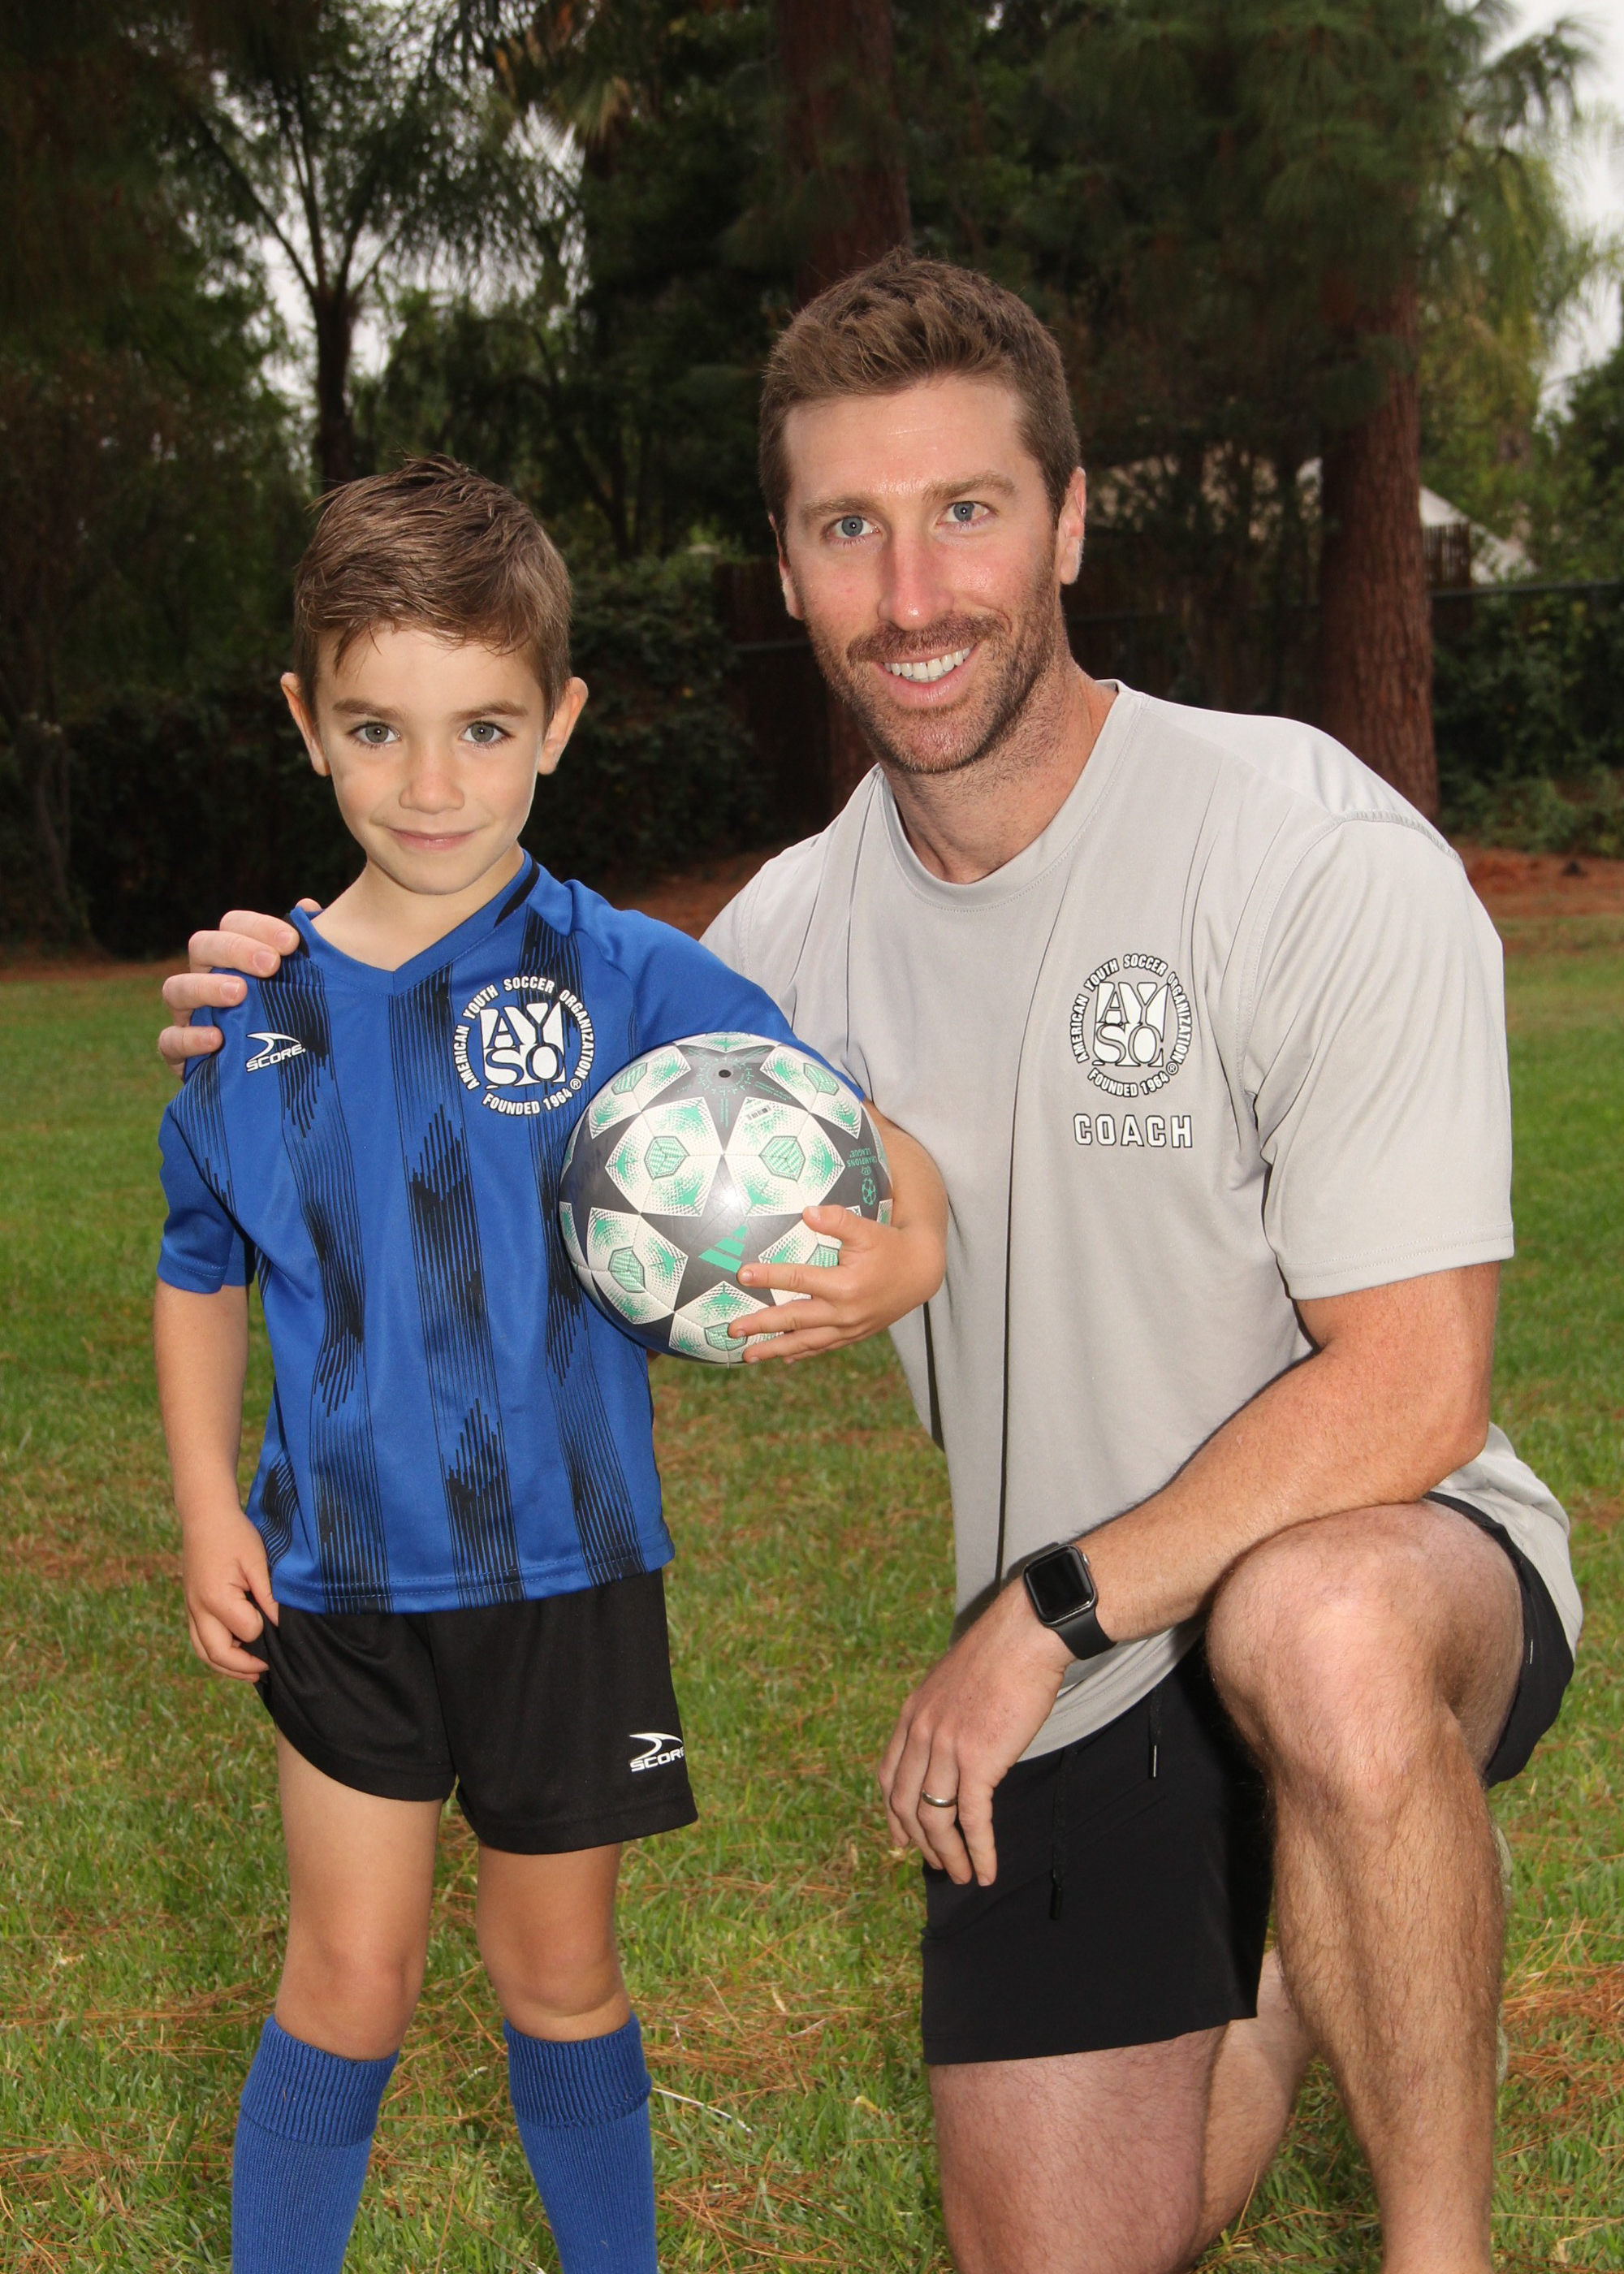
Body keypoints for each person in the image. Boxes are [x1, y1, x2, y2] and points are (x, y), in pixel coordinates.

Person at [159, 262, 1582, 2274]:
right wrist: (276, 995)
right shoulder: (773, 950)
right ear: (790, 571)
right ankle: (1279, 1941)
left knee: (1315, 1628)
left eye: (964, 511)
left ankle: (1439, 2238)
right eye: (849, 528)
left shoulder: (1304, 849)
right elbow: (487, 1080)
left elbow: (1417, 1382)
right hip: (1091, 1691)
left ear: (1068, 520)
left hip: (1360, 1559)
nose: (911, 592)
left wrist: (1040, 1613)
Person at [152, 456, 945, 2274]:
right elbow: (199, 1267)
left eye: (485, 728)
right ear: (307, 724)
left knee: (558, 1969)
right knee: (347, 1976)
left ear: (560, 724)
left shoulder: (629, 975)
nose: (432, 784)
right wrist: (206, 1504)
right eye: (378, 728)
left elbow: (853, 1138)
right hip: (339, 1583)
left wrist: (903, 1248)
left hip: (568, 1574)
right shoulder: (247, 1013)